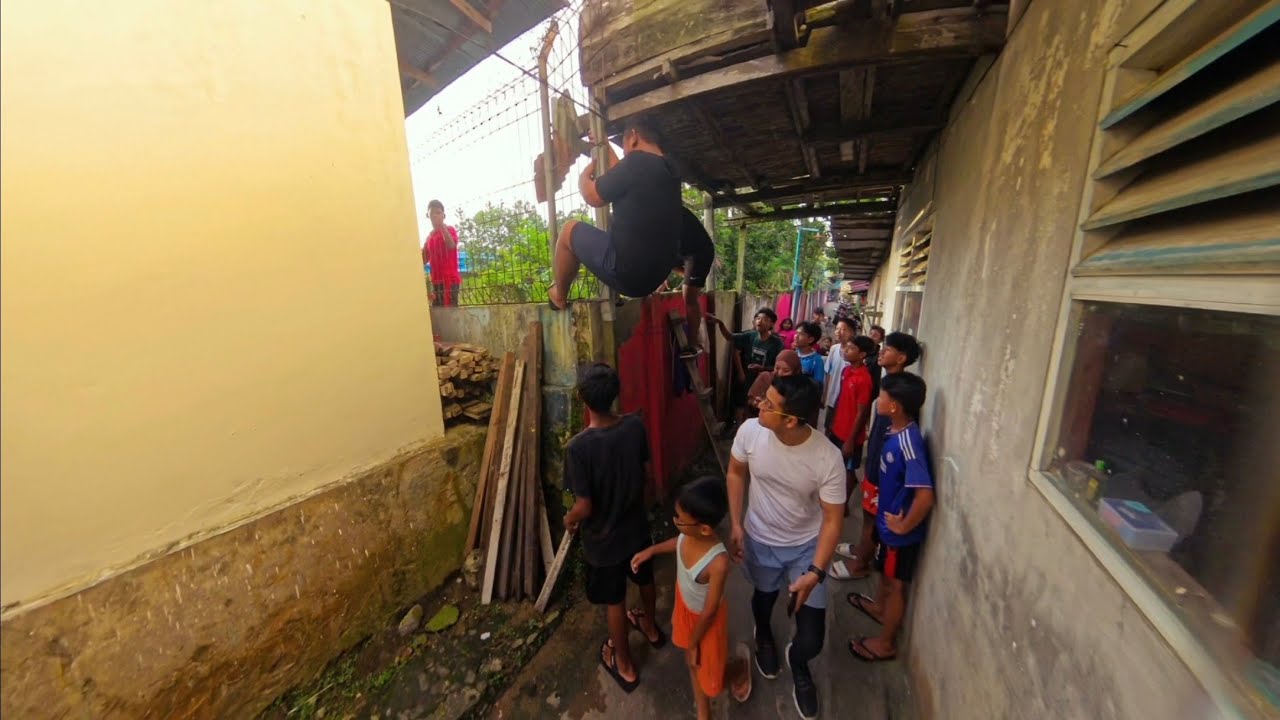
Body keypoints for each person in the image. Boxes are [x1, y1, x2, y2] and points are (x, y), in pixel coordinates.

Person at [728, 375, 845, 720]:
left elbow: (833, 520)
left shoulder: (827, 458)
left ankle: (799, 661)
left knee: (812, 636)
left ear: (791, 420)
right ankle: (763, 634)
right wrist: (736, 523)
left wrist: (816, 572)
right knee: (763, 599)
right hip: (760, 539)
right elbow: (736, 473)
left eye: (768, 404)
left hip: (806, 548)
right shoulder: (750, 431)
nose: (758, 404)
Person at [549, 119, 714, 335]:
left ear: (633, 136)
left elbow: (593, 196)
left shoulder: (635, 163)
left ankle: (558, 295)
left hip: (629, 277)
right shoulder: (670, 170)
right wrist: (603, 145)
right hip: (655, 275)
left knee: (568, 230)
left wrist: (583, 179)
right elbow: (622, 173)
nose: (625, 153)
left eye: (625, 146)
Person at [561, 364, 663, 693]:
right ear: (614, 394)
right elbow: (647, 475)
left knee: (615, 600)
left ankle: (625, 665)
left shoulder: (577, 448)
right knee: (644, 577)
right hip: (636, 527)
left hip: (604, 542)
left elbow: (584, 505)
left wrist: (569, 519)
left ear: (583, 400)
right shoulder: (634, 425)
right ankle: (650, 626)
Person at [631, 477, 752, 718]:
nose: (675, 522)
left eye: (680, 520)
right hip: (685, 607)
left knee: (712, 679)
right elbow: (680, 542)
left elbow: (709, 612)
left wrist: (695, 642)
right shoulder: (690, 534)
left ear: (705, 528)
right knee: (693, 663)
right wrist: (652, 550)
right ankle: (704, 711)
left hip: (707, 622)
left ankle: (739, 669)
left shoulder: (718, 562)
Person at [846, 372, 934, 662]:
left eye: (882, 396)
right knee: (884, 574)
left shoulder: (910, 443)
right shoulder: (893, 432)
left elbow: (925, 496)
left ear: (894, 405)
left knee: (897, 585)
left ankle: (885, 644)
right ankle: (879, 609)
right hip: (886, 527)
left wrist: (904, 525)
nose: (878, 400)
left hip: (899, 535)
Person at [835, 332, 921, 578]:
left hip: (884, 466)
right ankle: (862, 549)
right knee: (867, 512)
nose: (881, 352)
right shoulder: (889, 382)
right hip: (875, 459)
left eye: (888, 349)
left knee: (872, 515)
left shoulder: (901, 391)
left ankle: (860, 565)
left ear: (902, 358)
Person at [827, 338, 878, 536]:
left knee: (848, 470)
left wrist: (850, 439)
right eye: (846, 347)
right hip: (838, 429)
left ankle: (843, 504)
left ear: (862, 354)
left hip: (850, 435)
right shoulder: (847, 371)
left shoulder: (864, 379)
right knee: (836, 465)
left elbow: (861, 412)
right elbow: (843, 401)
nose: (846, 350)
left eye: (851, 348)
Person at [708, 308, 784, 428]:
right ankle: (739, 428)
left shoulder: (777, 343)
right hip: (747, 377)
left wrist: (762, 368)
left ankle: (754, 429)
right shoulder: (750, 335)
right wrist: (720, 323)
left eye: (765, 319)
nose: (760, 321)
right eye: (758, 318)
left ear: (771, 324)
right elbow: (729, 337)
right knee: (740, 402)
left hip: (763, 381)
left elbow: (778, 367)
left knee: (756, 406)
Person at [820, 317, 858, 431]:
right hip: (832, 398)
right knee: (829, 428)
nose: (838, 332)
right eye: (837, 329)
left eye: (843, 329)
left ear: (852, 332)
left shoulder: (855, 353)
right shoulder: (833, 349)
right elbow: (828, 374)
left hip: (847, 402)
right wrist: (825, 396)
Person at [423, 200, 461, 307]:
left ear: (444, 215)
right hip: (436, 281)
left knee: (449, 312)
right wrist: (426, 242)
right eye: (432, 214)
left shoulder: (450, 230)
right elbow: (424, 260)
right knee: (437, 310)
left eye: (438, 213)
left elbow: (451, 246)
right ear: (428, 216)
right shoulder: (430, 237)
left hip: (450, 280)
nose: (435, 216)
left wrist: (442, 227)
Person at [746, 349, 801, 416]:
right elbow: (751, 400)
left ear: (795, 371)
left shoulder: (799, 387)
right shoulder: (765, 377)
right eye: (777, 368)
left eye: (786, 370)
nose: (780, 373)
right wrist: (756, 403)